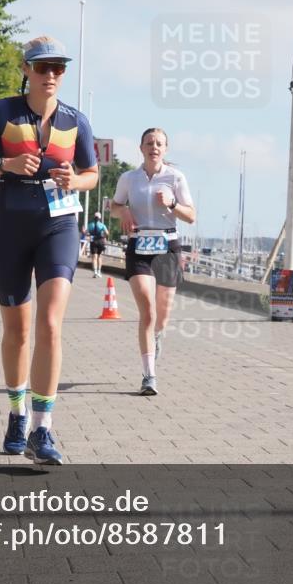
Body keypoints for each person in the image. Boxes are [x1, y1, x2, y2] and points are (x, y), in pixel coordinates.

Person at [0, 35, 98, 465]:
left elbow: (92, 173)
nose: (51, 75)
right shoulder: (1, 112)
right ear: (26, 70)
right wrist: (5, 164)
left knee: (51, 324)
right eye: (42, 67)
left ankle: (43, 428)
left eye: (58, 68)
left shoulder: (76, 120)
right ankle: (16, 413)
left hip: (58, 225)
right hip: (9, 226)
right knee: (17, 330)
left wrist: (76, 181)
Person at [110, 128, 195, 396]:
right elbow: (113, 206)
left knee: (162, 314)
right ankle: (149, 376)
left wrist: (172, 204)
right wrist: (122, 209)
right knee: (147, 309)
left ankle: (157, 336)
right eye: (149, 143)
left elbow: (191, 216)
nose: (154, 147)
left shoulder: (175, 178)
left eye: (159, 144)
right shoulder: (128, 178)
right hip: (139, 245)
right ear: (141, 148)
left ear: (165, 149)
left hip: (167, 245)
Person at [86, 212, 109, 277]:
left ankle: (95, 272)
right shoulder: (102, 225)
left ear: (94, 217)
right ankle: (99, 271)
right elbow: (107, 233)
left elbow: (86, 233)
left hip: (93, 241)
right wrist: (103, 236)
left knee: (94, 257)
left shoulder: (90, 225)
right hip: (101, 241)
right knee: (100, 256)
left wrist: (88, 234)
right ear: (100, 218)